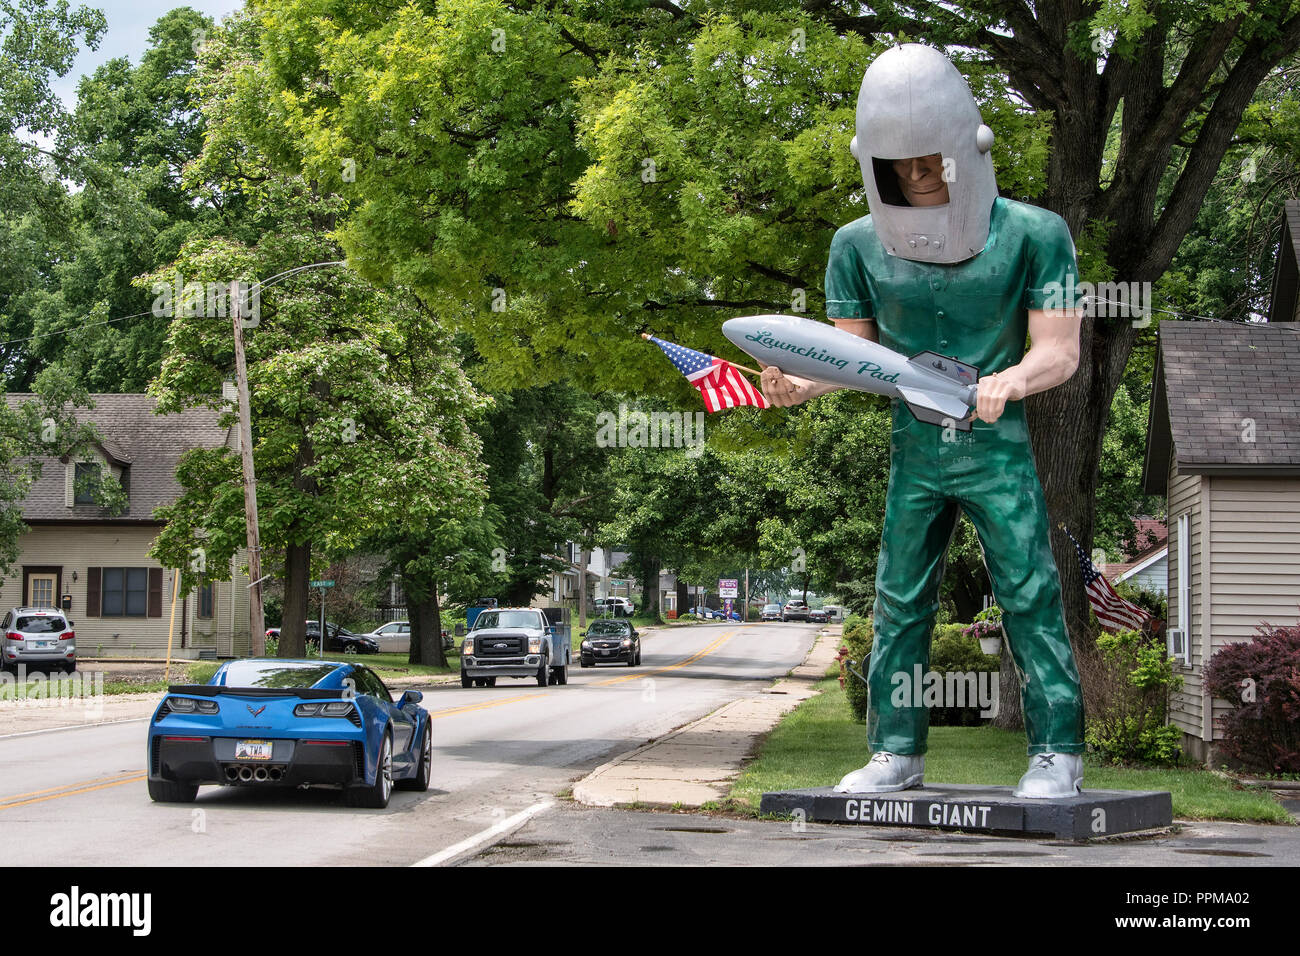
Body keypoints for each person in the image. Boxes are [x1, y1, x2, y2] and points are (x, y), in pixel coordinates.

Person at [761, 44, 1086, 799]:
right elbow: (850, 357)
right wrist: (798, 385)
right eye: (898, 165)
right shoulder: (855, 245)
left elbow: (1061, 350)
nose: (916, 174)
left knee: (1029, 590)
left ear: (969, 148)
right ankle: (894, 751)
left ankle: (1058, 751)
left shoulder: (1036, 233)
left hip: (994, 443)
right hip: (915, 445)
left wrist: (1013, 378)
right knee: (900, 598)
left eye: (929, 159)